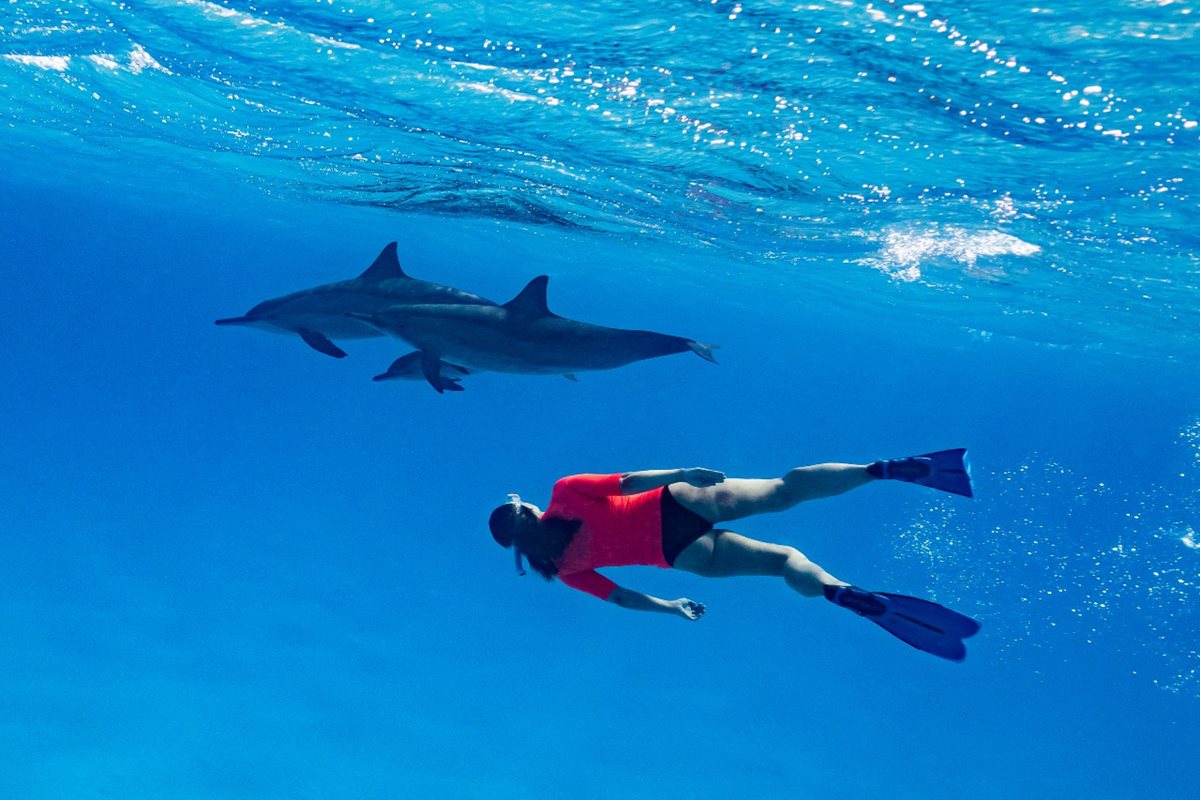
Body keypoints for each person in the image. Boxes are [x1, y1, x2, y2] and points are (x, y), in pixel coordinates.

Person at [489, 450, 980, 661]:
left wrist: (671, 606)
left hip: (681, 554)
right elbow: (628, 483)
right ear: (525, 510)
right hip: (676, 500)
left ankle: (838, 591)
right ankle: (881, 470)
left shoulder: (563, 568)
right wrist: (681, 471)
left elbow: (619, 598)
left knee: (783, 560)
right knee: (784, 490)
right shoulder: (563, 492)